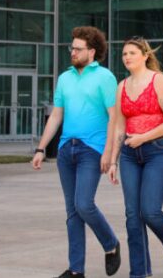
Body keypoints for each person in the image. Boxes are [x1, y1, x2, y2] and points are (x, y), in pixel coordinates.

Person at [32, 26, 121, 278]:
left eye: (78, 49)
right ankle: (76, 270)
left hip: (91, 149)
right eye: (71, 48)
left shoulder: (105, 77)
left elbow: (114, 117)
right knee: (72, 212)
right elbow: (56, 114)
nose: (73, 52)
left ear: (91, 52)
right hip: (66, 150)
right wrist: (41, 148)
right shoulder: (65, 78)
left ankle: (111, 243)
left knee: (84, 204)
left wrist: (109, 153)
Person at [108, 37, 163, 278]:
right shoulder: (121, 86)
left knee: (150, 211)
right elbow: (119, 128)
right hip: (130, 155)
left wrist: (144, 137)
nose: (127, 57)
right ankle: (139, 273)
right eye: (124, 54)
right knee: (132, 216)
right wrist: (113, 160)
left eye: (132, 52)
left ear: (145, 55)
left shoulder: (158, 81)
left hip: (159, 151)